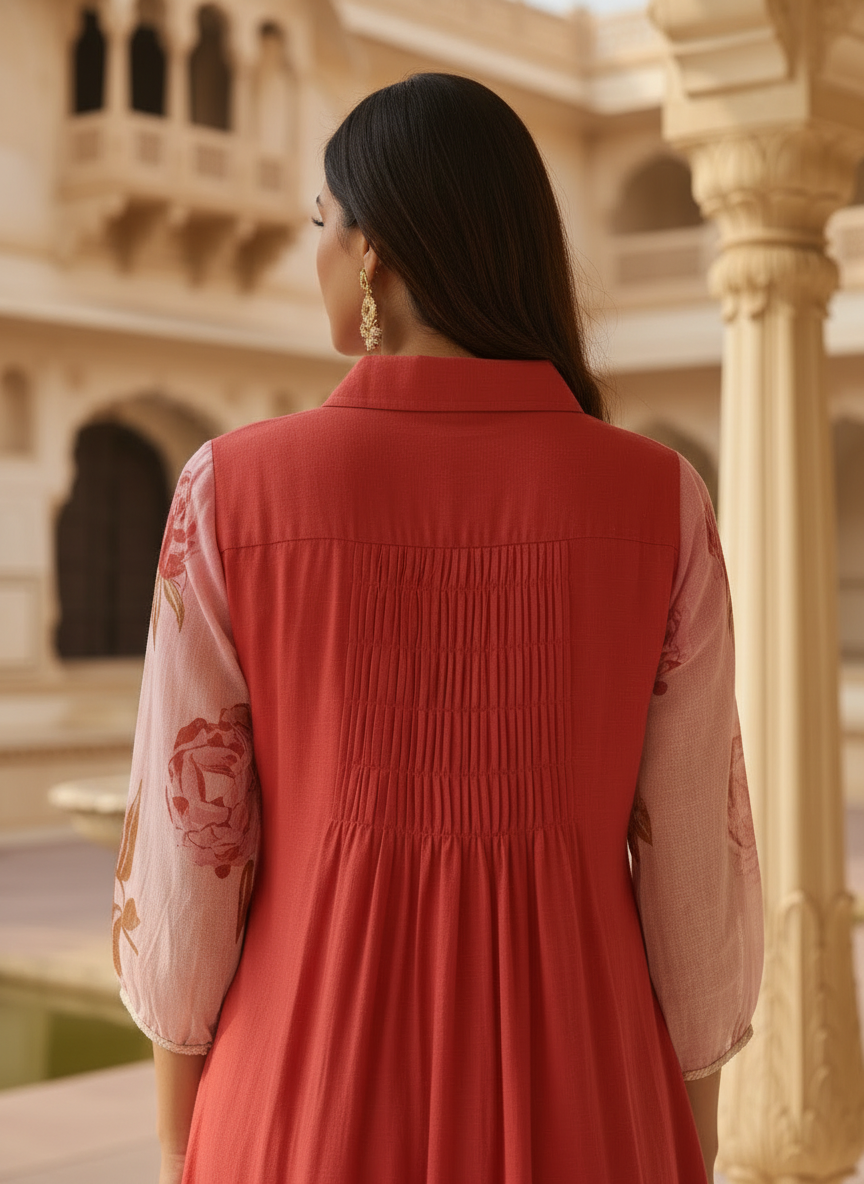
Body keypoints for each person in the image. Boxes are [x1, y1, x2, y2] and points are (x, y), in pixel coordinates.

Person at [111, 72, 763, 1184]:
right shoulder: (662, 503)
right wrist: (684, 1127)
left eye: (322, 223)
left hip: (297, 1095)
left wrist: (183, 1139)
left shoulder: (230, 493)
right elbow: (698, 868)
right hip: (594, 1095)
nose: (314, 251)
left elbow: (193, 864)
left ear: (375, 253)